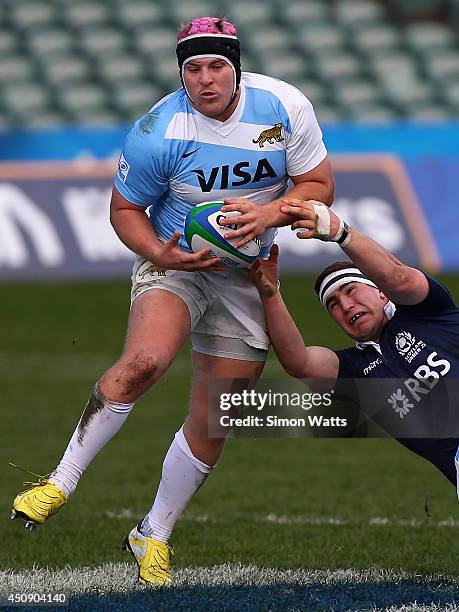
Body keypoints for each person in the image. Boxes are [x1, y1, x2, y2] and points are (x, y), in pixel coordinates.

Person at [10, 17, 334, 586]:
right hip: (178, 265)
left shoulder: (284, 105)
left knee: (217, 414)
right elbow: (123, 210)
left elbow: (318, 183)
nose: (204, 79)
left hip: (248, 273)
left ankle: (152, 534)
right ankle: (59, 482)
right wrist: (164, 253)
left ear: (236, 67)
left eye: (216, 66)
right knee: (143, 362)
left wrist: (270, 213)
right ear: (180, 72)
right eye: (192, 68)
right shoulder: (157, 129)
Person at [249, 198, 459, 492]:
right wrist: (270, 295)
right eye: (333, 304)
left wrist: (341, 233)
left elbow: (397, 277)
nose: (346, 305)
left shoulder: (426, 312)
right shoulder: (355, 370)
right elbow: (299, 363)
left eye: (351, 290)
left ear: (382, 295)